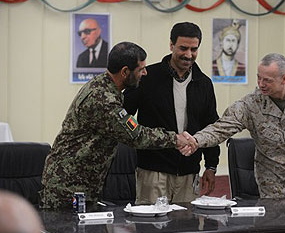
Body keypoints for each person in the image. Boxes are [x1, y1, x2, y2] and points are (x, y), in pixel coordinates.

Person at [40, 42, 196, 209]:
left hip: (81, 184)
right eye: (141, 69)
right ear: (125, 72)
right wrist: (175, 139)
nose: (145, 72)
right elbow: (135, 136)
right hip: (68, 187)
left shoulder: (107, 87)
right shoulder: (103, 99)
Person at [194, 53, 285, 198]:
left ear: (284, 79)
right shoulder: (251, 104)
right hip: (276, 188)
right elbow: (221, 128)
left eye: (267, 80)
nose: (261, 84)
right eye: (258, 78)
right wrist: (195, 141)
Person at [123, 22, 220, 204]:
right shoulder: (147, 77)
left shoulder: (204, 83)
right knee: (152, 229)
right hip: (153, 171)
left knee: (186, 228)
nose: (188, 55)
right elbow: (123, 116)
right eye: (183, 48)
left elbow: (211, 126)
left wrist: (211, 166)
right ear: (171, 45)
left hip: (189, 172)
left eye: (194, 49)